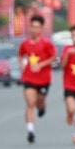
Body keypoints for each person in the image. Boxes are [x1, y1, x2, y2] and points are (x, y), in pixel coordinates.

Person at [17, 13, 56, 142]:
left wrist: (41, 65)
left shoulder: (47, 43)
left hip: (44, 79)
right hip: (29, 77)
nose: (34, 30)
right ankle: (30, 130)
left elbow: (53, 57)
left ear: (42, 28)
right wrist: (22, 65)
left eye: (37, 27)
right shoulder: (25, 43)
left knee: (39, 101)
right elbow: (21, 55)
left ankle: (42, 107)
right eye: (32, 27)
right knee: (30, 103)